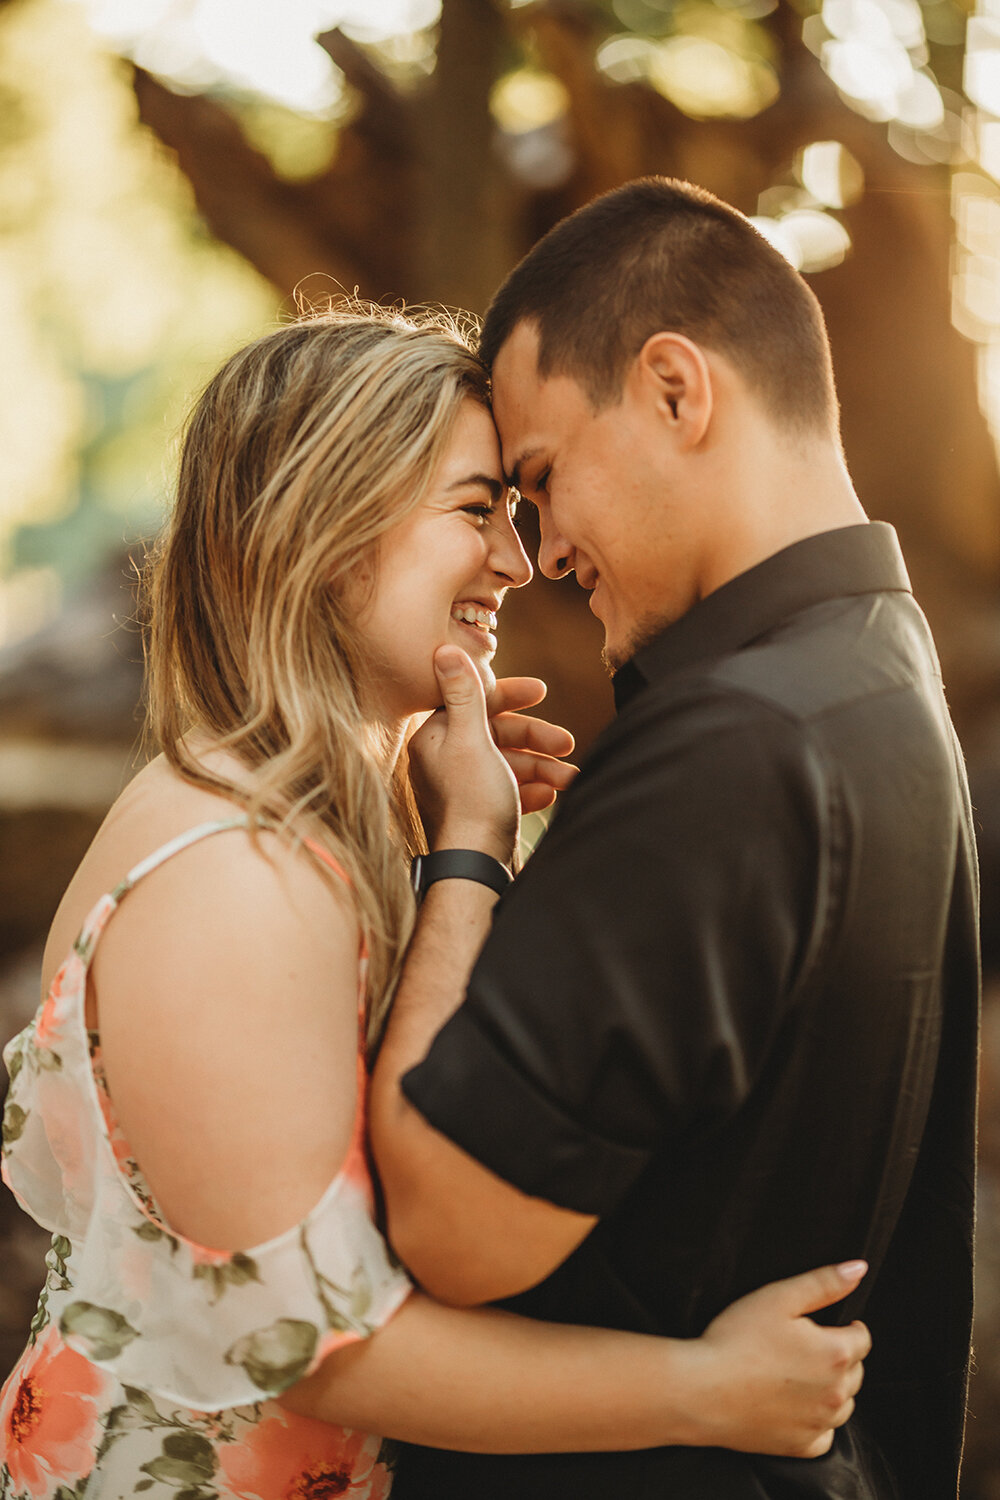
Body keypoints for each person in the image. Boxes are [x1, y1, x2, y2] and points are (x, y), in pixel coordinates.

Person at [0, 305, 870, 1500]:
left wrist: (445, 833)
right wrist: (709, 1389)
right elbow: (313, 1349)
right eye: (476, 510)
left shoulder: (302, 828)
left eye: (517, 513)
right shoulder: (230, 873)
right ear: (322, 523)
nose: (517, 563)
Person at [358, 180, 981, 1500]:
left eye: (536, 480)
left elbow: (451, 1223)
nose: (537, 549)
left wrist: (467, 852)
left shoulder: (736, 744)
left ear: (676, 390)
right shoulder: (876, 675)